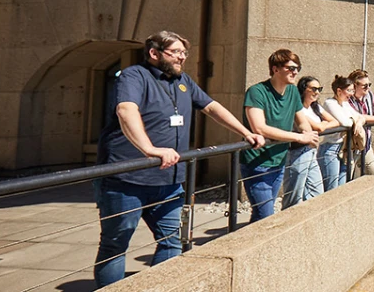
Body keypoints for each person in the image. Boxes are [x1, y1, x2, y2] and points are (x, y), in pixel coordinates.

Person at [94, 31, 265, 288]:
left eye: (184, 54)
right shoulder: (134, 76)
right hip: (127, 180)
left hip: (169, 180)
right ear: (154, 53)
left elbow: (211, 107)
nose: (182, 58)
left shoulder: (183, 81)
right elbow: (125, 110)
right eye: (176, 53)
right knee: (116, 245)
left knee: (173, 241)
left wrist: (246, 132)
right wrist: (150, 149)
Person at [242, 49, 319, 223]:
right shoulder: (257, 92)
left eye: (297, 68)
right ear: (275, 69)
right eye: (291, 68)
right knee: (265, 215)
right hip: (257, 163)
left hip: (279, 160)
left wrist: (308, 133)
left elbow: (302, 120)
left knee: (261, 215)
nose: (295, 72)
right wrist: (299, 137)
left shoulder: (292, 92)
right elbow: (260, 128)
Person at [281, 76, 340, 210]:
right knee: (294, 194)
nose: (317, 92)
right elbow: (317, 127)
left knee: (316, 191)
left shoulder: (316, 107)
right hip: (298, 152)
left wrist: (322, 125)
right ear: (303, 89)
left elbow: (335, 122)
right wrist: (323, 124)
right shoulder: (298, 108)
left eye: (319, 89)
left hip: (312, 151)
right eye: (313, 89)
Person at [322, 75, 366, 190]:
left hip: (345, 148)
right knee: (332, 187)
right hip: (331, 148)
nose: (351, 93)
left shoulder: (345, 104)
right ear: (339, 90)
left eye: (352, 90)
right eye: (349, 90)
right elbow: (345, 122)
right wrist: (355, 120)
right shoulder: (330, 103)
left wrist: (359, 122)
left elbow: (361, 117)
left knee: (342, 185)